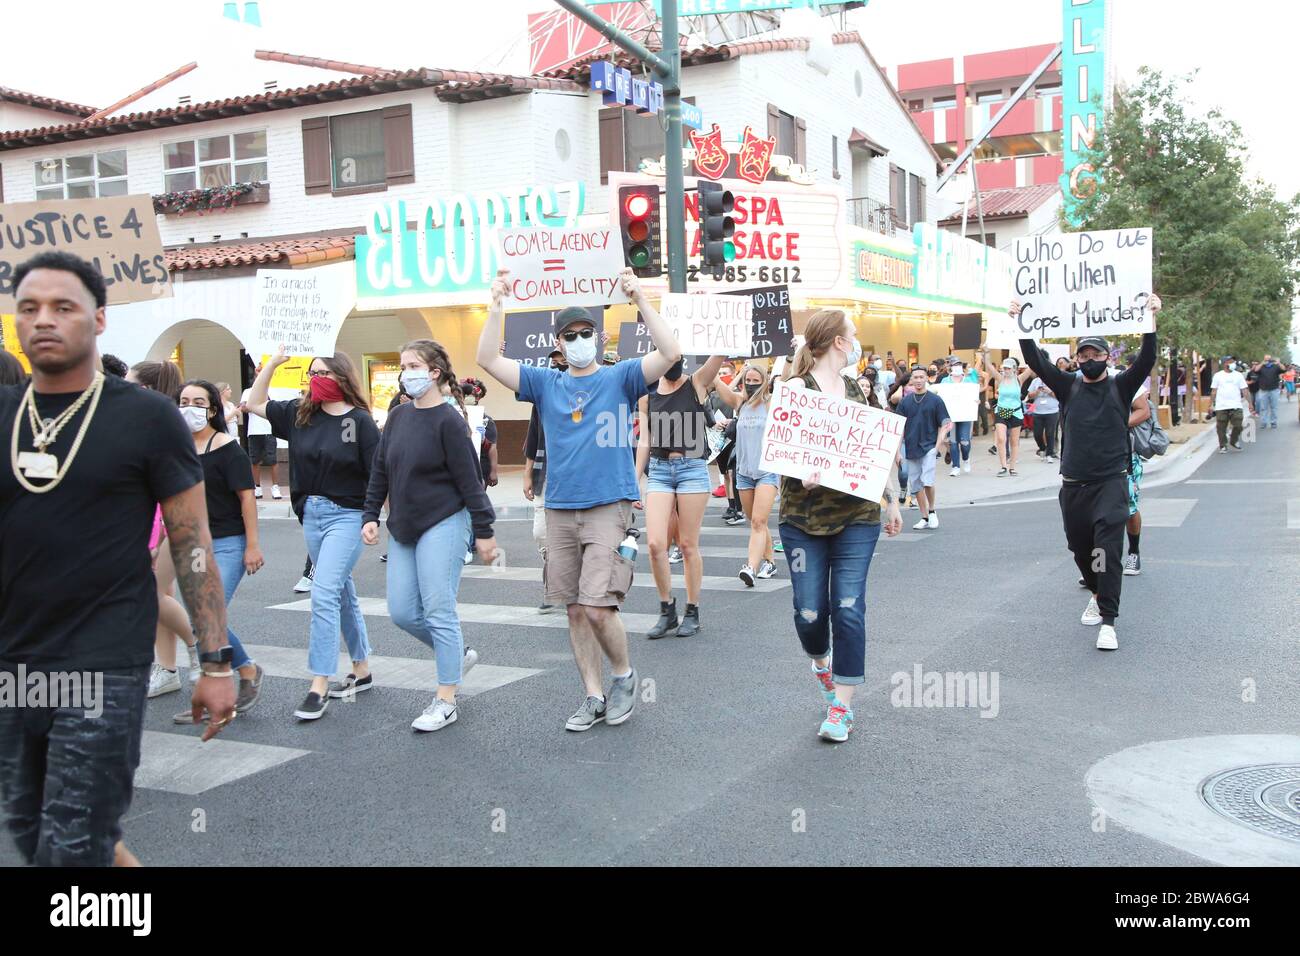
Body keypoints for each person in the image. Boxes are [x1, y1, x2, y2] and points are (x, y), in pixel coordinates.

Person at [1, 251, 233, 867]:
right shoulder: (5, 414)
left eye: (63, 307)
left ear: (99, 319)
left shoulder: (148, 419)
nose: (43, 320)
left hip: (104, 662)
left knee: (71, 843)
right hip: (13, 664)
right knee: (31, 829)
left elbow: (190, 544)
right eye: (29, 308)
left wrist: (214, 660)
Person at [476, 268, 681, 732]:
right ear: (560, 343)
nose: (579, 339)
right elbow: (487, 357)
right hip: (559, 507)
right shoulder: (545, 383)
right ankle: (592, 695)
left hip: (610, 504)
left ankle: (624, 675)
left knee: (596, 605)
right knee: (572, 608)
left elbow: (671, 353)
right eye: (570, 335)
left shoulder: (622, 377)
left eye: (586, 332)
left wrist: (641, 299)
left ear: (600, 338)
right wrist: (496, 304)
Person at [1012, 293, 1162, 652]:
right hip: (1074, 484)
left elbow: (1147, 358)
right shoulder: (1067, 385)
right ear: (1077, 359)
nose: (1090, 360)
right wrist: (1020, 323)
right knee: (1080, 547)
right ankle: (1096, 592)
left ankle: (1108, 621)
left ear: (1107, 358)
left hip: (1111, 481)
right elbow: (1034, 359)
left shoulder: (1122, 384)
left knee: (1107, 550)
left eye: (1097, 355)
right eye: (1085, 355)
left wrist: (1150, 319)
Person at [779, 310, 903, 742]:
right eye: (852, 335)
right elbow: (778, 450)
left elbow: (877, 448)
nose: (856, 341)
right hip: (802, 518)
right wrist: (801, 472)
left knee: (849, 607)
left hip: (857, 516)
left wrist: (891, 500)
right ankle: (819, 659)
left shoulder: (858, 391)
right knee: (810, 610)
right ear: (836, 341)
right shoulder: (795, 389)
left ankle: (841, 707)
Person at [362, 340, 497, 732]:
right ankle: (459, 653)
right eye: (403, 365)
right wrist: (371, 514)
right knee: (402, 612)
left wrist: (484, 531)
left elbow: (470, 482)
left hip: (444, 521)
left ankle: (446, 700)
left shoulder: (450, 421)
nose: (406, 372)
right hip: (403, 525)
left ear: (434, 372)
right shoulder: (399, 417)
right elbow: (381, 470)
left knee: (439, 610)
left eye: (413, 365)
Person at [245, 347, 379, 721]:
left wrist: (374, 517)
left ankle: (318, 683)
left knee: (323, 592)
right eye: (311, 373)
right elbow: (254, 403)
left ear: (342, 378)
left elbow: (377, 474)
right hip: (312, 515)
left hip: (348, 516)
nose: (315, 379)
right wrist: (271, 365)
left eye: (323, 373)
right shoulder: (298, 414)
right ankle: (362, 669)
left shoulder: (360, 422)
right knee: (341, 593)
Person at [171, 380, 265, 721]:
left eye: (198, 402)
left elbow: (246, 498)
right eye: (183, 401)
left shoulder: (227, 448)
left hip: (228, 543)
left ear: (212, 409)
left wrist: (253, 545)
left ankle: (231, 683)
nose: (189, 408)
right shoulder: (176, 448)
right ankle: (245, 671)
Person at [636, 349, 725, 638]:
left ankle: (692, 610)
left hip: (692, 469)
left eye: (676, 359)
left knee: (688, 545)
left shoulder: (696, 383)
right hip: (660, 471)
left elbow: (718, 357)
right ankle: (667, 610)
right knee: (655, 544)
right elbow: (645, 439)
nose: (672, 365)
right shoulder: (647, 393)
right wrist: (633, 480)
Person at [714, 362, 781, 587]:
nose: (751, 385)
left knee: (759, 521)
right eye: (748, 381)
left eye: (756, 381)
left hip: (767, 472)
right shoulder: (740, 402)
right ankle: (770, 562)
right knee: (756, 522)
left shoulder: (771, 403)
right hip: (743, 471)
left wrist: (790, 358)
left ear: (764, 382)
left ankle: (750, 567)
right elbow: (717, 384)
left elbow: (789, 380)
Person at [523, 348, 563, 612]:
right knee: (541, 533)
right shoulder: (542, 397)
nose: (558, 363)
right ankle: (555, 581)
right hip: (544, 472)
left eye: (562, 359)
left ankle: (559, 587)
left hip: (573, 476)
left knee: (572, 534)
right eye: (554, 360)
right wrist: (527, 473)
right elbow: (534, 435)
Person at [891, 366, 952, 529]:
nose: (918, 380)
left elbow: (944, 424)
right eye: (915, 377)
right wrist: (897, 452)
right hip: (911, 447)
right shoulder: (905, 402)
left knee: (927, 481)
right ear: (911, 380)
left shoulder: (935, 400)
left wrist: (937, 447)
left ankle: (932, 511)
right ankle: (924, 516)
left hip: (929, 447)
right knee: (916, 484)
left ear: (926, 378)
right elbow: (899, 428)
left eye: (921, 377)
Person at [980, 350, 1034, 476]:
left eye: (1008, 368)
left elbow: (1031, 368)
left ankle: (1012, 467)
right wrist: (986, 353)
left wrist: (1033, 350)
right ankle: (1003, 466)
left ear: (1014, 369)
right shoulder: (1000, 378)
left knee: (1014, 441)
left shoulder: (1019, 379)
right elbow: (989, 366)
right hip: (1002, 411)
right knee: (1001, 438)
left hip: (1015, 412)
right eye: (1004, 368)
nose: (1006, 370)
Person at [240, 363, 283, 501]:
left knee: (272, 459)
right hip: (254, 430)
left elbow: (276, 406)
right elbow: (243, 408)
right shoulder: (248, 391)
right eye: (258, 372)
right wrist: (251, 405)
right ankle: (257, 486)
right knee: (255, 460)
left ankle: (275, 487)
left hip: (269, 429)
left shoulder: (273, 390)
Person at [939, 358, 977, 476]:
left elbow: (974, 395)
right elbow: (940, 396)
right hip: (951, 416)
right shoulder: (945, 381)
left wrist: (976, 401)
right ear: (950, 367)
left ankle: (966, 458)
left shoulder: (968, 380)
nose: (957, 366)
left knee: (965, 441)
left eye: (959, 364)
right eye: (954, 364)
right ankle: (955, 466)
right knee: (953, 441)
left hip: (965, 415)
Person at [1211, 358, 1251, 453]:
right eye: (1230, 362)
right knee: (1221, 427)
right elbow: (1214, 391)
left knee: (1238, 425)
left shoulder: (1238, 375)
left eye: (1233, 362)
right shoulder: (1218, 376)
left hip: (1236, 404)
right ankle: (1223, 445)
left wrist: (1250, 403)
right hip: (1221, 405)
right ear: (1225, 363)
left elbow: (1244, 390)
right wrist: (1211, 405)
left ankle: (1233, 440)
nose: (1233, 364)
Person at [1028, 373, 1060, 463]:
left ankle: (1049, 454)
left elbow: (1060, 395)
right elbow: (1030, 395)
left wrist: (1049, 391)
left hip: (1052, 411)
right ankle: (1042, 448)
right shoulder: (1035, 381)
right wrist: (1036, 392)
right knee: (1037, 434)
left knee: (1050, 433)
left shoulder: (1054, 381)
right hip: (1037, 411)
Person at [1254, 355, 1284, 429]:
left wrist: (1279, 363)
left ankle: (1273, 422)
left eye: (1269, 359)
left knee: (1274, 407)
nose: (1268, 361)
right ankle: (1263, 422)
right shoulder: (1261, 367)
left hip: (1274, 390)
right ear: (1264, 359)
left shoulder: (1275, 366)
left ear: (1271, 359)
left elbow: (1284, 369)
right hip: (1263, 390)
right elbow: (1256, 370)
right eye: (1266, 359)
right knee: (1263, 408)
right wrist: (1262, 363)